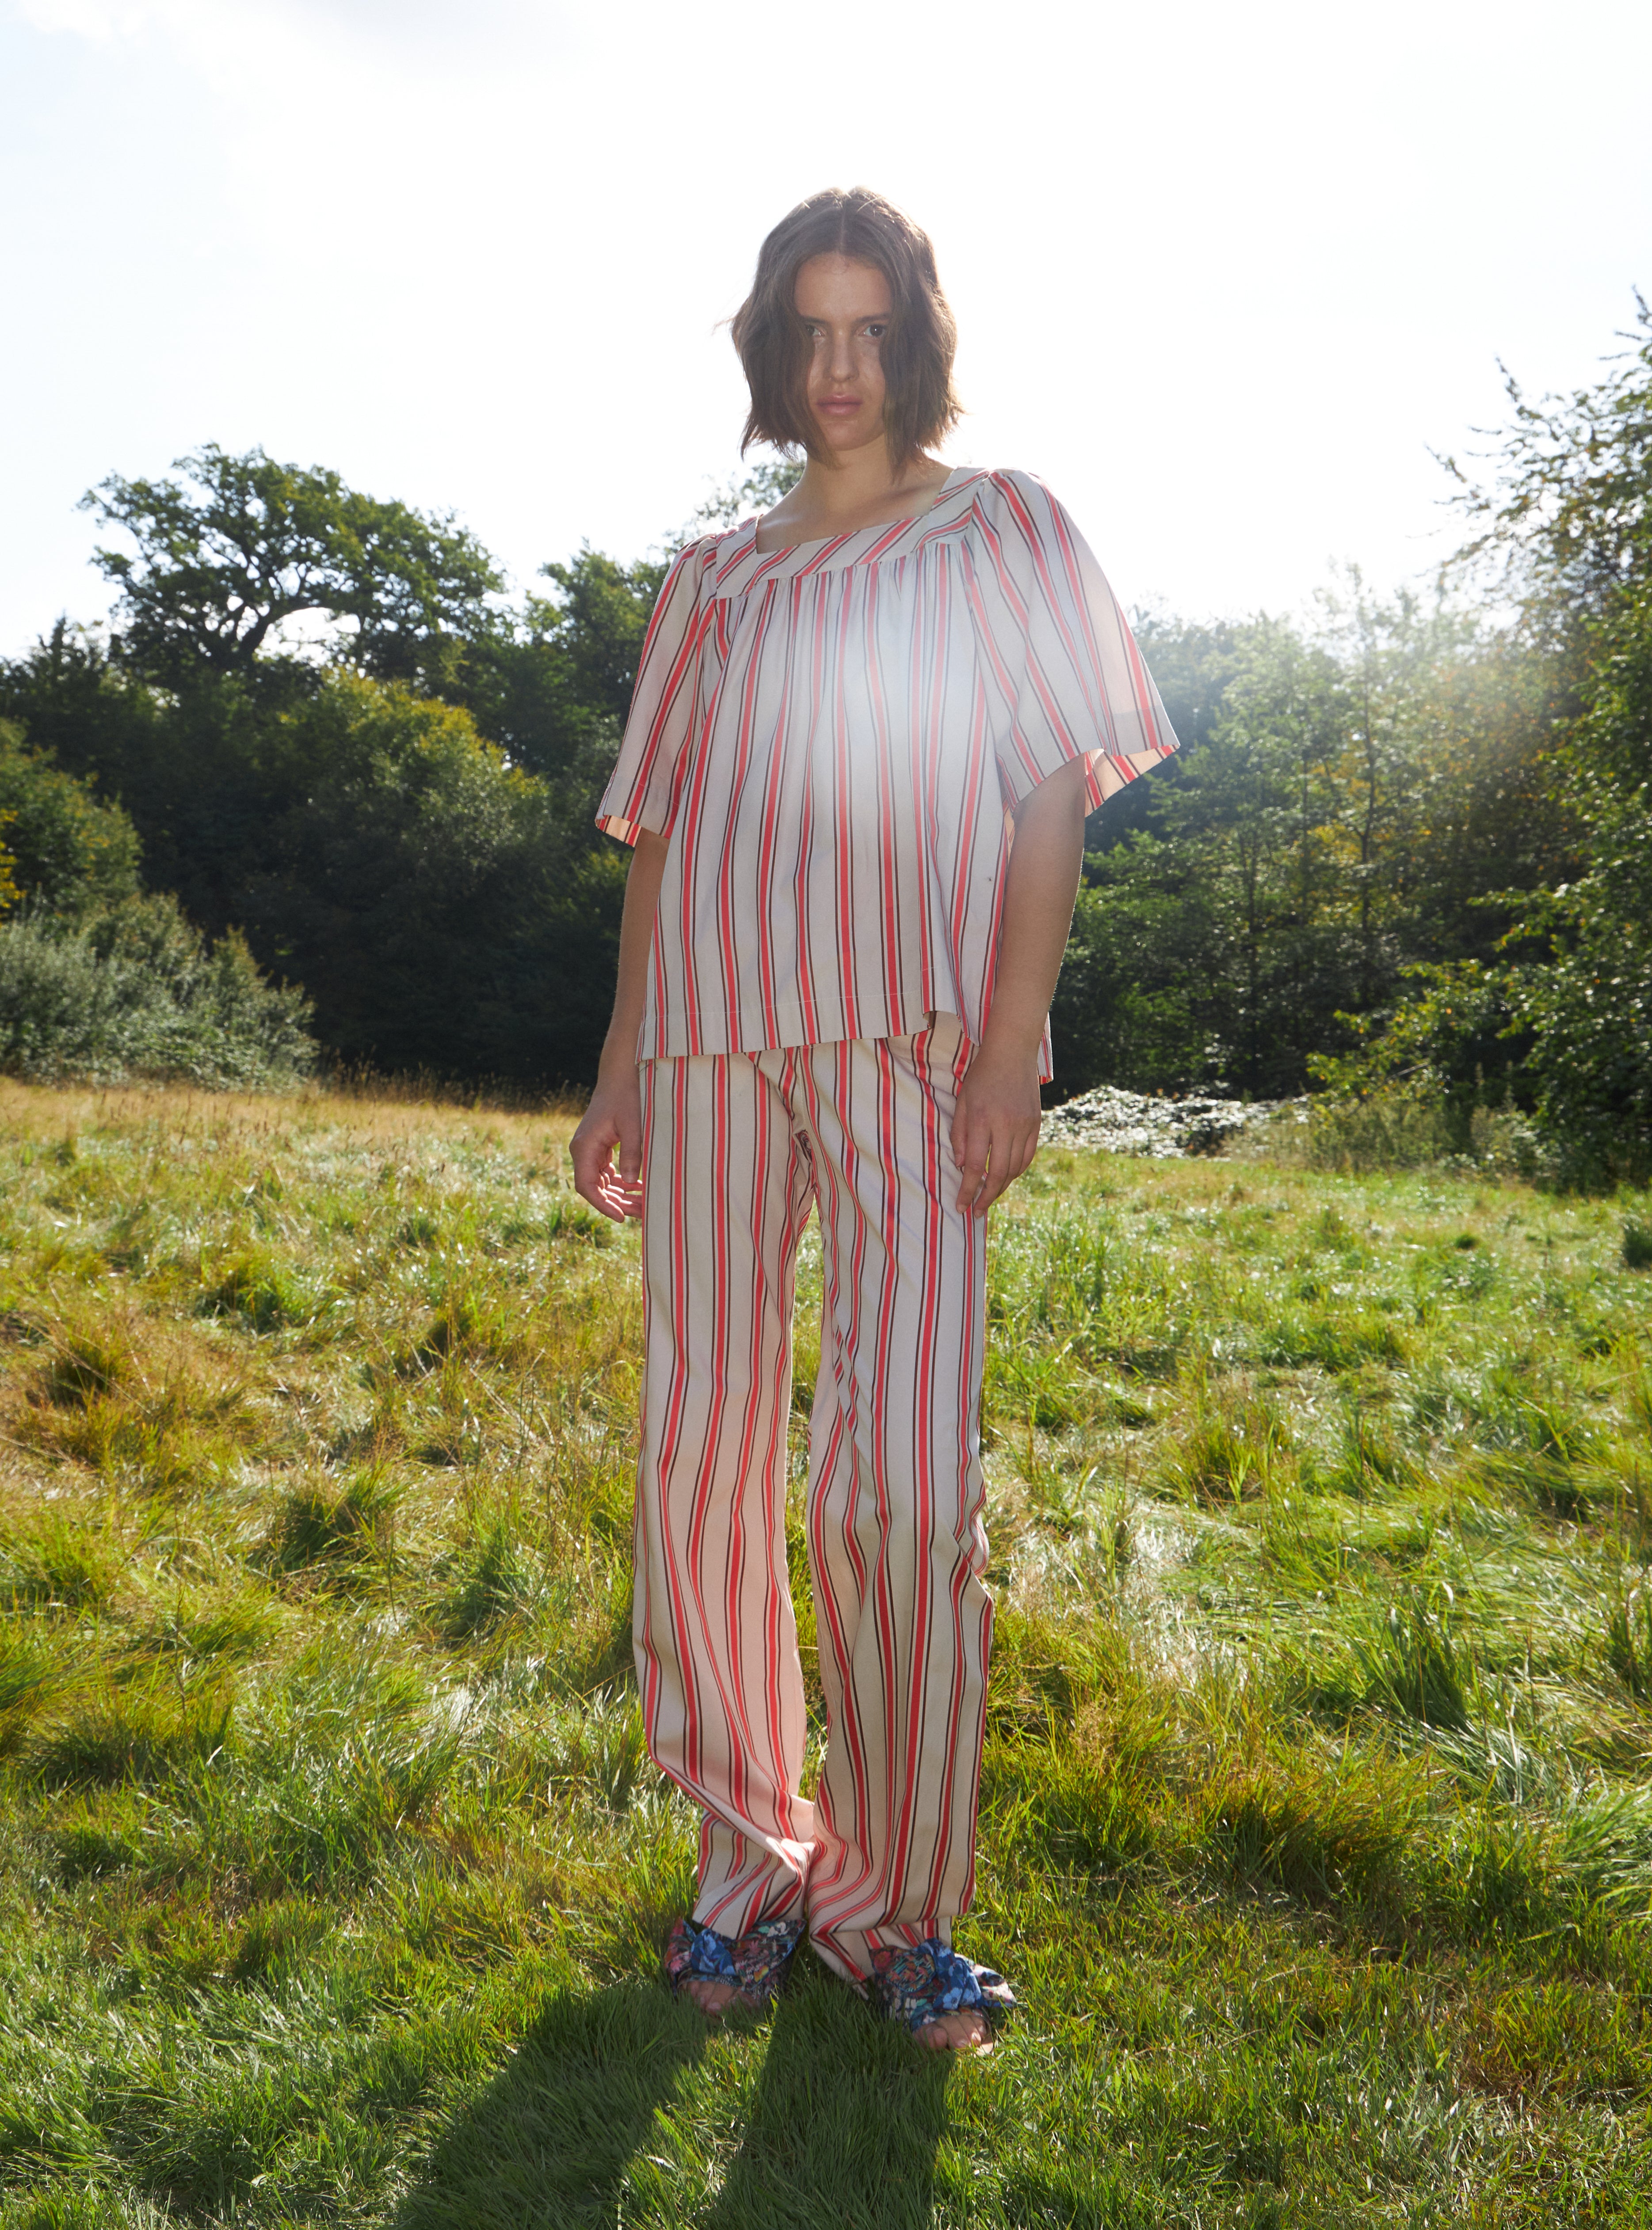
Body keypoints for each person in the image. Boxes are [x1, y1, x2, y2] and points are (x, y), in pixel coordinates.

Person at [571, 186, 1177, 2054]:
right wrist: (618, 1058)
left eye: (868, 333)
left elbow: (1047, 799)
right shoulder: (710, 579)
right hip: (706, 1052)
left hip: (915, 1046)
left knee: (898, 1492)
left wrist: (1013, 1049)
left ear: (918, 340)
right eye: (805, 334)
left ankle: (897, 1907)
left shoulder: (1004, 528)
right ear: (769, 349)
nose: (838, 371)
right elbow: (662, 835)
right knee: (700, 1459)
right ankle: (747, 1865)